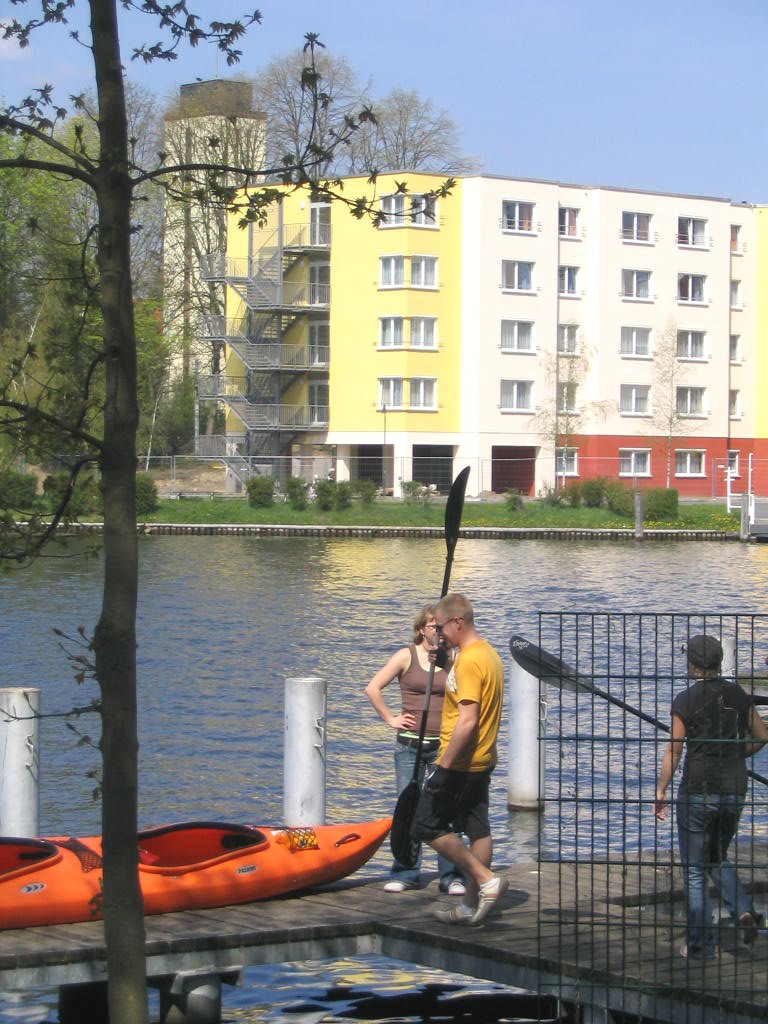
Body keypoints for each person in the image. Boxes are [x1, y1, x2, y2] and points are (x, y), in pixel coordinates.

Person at [654, 633, 768, 959]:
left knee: (693, 870)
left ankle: (700, 947)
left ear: (693, 664)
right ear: (718, 663)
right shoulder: (738, 695)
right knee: (715, 856)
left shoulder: (685, 701)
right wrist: (736, 754)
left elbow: (674, 752)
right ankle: (744, 911)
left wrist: (661, 789)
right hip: (735, 788)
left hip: (697, 791)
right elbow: (762, 735)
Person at [411, 592, 507, 926]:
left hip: (461, 762)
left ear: (458, 622)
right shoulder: (486, 655)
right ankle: (469, 905)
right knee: (477, 830)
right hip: (483, 759)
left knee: (425, 825)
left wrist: (442, 768)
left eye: (441, 628)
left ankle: (485, 879)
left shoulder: (469, 661)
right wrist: (447, 663)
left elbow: (468, 720)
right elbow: (468, 686)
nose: (438, 635)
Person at [365, 604, 465, 894]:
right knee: (408, 806)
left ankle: (452, 875)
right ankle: (406, 871)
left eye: (443, 626)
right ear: (422, 629)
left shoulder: (453, 658)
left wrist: (445, 663)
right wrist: (391, 719)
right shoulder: (405, 656)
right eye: (434, 626)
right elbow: (373, 688)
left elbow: (464, 689)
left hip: (443, 746)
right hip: (410, 745)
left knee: (445, 809)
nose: (439, 631)